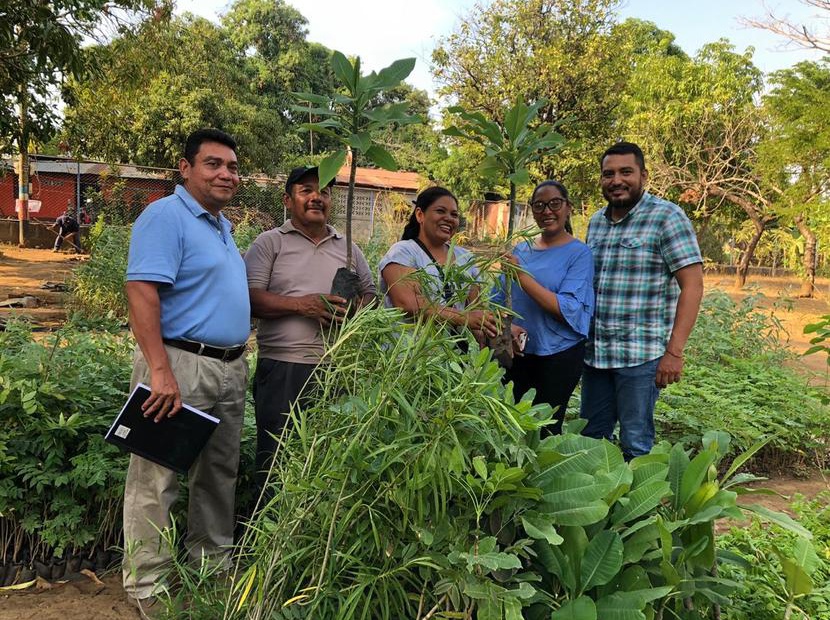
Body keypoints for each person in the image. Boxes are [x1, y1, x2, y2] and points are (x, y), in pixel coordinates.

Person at [122, 128, 250, 618]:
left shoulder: (221, 225)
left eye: (232, 166)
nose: (226, 174)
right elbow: (141, 292)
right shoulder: (166, 216)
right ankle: (146, 584)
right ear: (185, 168)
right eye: (213, 164)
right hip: (178, 364)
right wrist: (160, 370)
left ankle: (210, 566)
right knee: (157, 476)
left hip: (228, 367)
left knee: (218, 473)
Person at [244, 166, 376, 491]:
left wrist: (357, 307)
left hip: (337, 369)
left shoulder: (348, 248)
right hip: (283, 368)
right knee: (277, 458)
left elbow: (372, 295)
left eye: (325, 192)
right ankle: (269, 532)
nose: (317, 197)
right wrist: (304, 305)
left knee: (327, 459)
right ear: (288, 200)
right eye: (307, 190)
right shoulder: (270, 243)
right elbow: (249, 299)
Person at [581, 141, 704, 459]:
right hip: (596, 354)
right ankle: (599, 508)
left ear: (643, 175)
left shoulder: (667, 217)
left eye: (626, 172)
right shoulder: (596, 222)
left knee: (635, 442)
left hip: (641, 356)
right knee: (591, 439)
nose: (617, 180)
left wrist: (674, 352)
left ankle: (637, 509)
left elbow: (692, 286)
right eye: (609, 174)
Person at [495, 180, 594, 435]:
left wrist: (521, 275)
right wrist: (507, 325)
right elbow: (497, 297)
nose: (547, 211)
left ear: (568, 207)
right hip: (517, 352)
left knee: (545, 428)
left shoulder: (579, 253)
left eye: (555, 204)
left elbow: (567, 308)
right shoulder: (521, 249)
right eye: (539, 206)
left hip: (558, 355)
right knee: (511, 423)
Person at [378, 186, 499, 341]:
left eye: (454, 214)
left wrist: (499, 328)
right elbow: (409, 304)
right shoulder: (403, 252)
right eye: (440, 211)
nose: (449, 218)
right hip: (411, 355)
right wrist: (464, 318)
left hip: (455, 359)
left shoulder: (466, 257)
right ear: (420, 215)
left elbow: (476, 307)